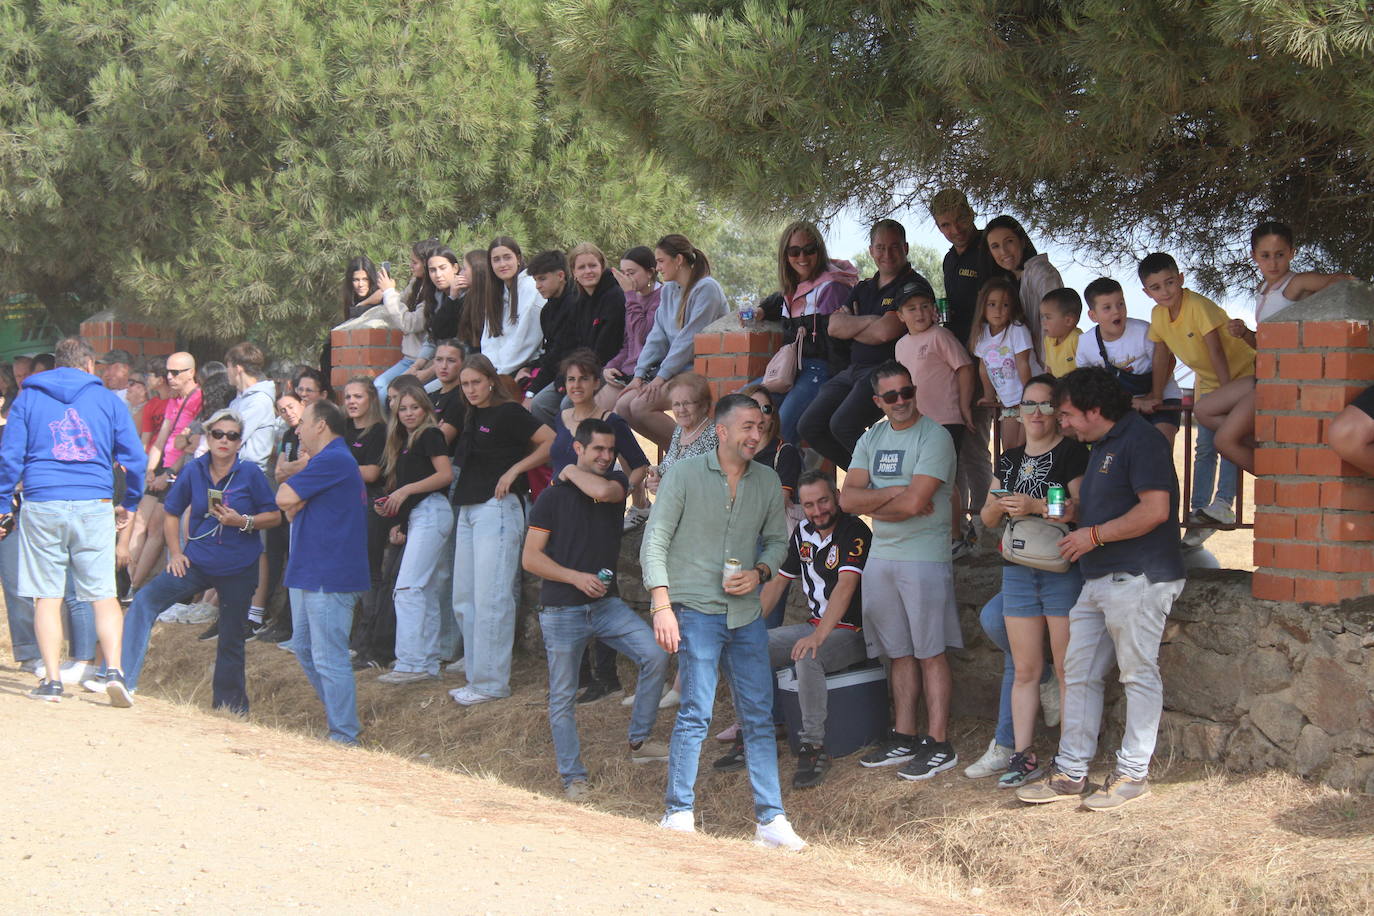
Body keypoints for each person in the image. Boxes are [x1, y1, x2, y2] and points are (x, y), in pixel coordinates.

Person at [1015, 368, 1184, 811]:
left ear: (1094, 410)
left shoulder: (1141, 440)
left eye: (1067, 414)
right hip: (1098, 578)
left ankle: (1132, 774)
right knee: (1080, 672)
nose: (1061, 422)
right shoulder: (1103, 445)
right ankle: (1071, 772)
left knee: (1137, 674)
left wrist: (1094, 535)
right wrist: (1074, 511)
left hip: (1139, 576)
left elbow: (1154, 511)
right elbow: (1111, 505)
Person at [641, 393, 804, 850]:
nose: (756, 435)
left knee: (758, 714)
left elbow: (777, 543)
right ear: (723, 431)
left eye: (762, 428)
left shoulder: (769, 481)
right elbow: (654, 541)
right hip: (693, 609)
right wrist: (662, 604)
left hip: (746, 614)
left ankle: (770, 822)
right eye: (747, 426)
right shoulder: (685, 475)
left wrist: (760, 572)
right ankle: (677, 813)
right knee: (697, 711)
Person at [523, 417, 670, 798]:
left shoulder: (616, 486)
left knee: (655, 655)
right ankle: (573, 776)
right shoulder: (551, 498)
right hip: (561, 609)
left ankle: (639, 741)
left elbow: (605, 492)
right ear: (579, 447)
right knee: (562, 695)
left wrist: (569, 470)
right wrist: (574, 577)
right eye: (597, 450)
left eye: (610, 450)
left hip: (605, 605)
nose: (606, 456)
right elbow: (531, 559)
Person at [0, 337, 146, 704]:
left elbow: (10, 455)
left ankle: (51, 681)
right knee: (102, 593)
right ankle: (113, 670)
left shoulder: (29, 397)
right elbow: (136, 458)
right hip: (94, 502)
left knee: (46, 596)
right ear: (90, 365)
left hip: (42, 502)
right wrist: (130, 499)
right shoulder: (107, 400)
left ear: (54, 366)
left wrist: (3, 502)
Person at [840, 361, 960, 781]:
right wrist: (894, 492)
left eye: (906, 391)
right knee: (899, 653)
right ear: (878, 401)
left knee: (930, 651)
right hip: (882, 557)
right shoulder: (871, 437)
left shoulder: (936, 436)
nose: (901, 401)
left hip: (923, 556)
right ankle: (904, 735)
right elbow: (847, 500)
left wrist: (876, 500)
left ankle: (938, 742)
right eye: (891, 396)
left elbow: (915, 505)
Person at [120, 409, 281, 711]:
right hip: (196, 562)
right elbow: (171, 511)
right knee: (144, 601)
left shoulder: (250, 474)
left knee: (231, 638)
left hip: (238, 568)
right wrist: (176, 553)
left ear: (239, 442)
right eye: (218, 434)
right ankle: (124, 680)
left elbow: (273, 516)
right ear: (208, 437)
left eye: (232, 436)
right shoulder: (194, 469)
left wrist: (242, 522)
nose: (224, 440)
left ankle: (230, 709)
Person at [977, 375, 1088, 788]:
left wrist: (1035, 505)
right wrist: (999, 506)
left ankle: (1069, 755)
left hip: (1060, 568)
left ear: (1057, 412)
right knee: (1025, 670)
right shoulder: (1008, 460)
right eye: (1029, 405)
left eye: (1044, 405)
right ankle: (1022, 756)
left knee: (1064, 669)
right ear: (1018, 411)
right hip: (1019, 569)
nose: (1036, 413)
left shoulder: (1073, 453)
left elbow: (1078, 509)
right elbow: (987, 520)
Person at [1195, 222, 1353, 473]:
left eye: (1280, 255)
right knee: (1203, 410)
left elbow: (1343, 281)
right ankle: (1274, 458)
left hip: (1281, 378)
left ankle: (1278, 480)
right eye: (1265, 256)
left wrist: (1314, 317)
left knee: (1224, 441)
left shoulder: (1296, 283)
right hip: (1263, 373)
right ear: (1253, 256)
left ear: (1292, 252)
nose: (1273, 263)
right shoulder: (1263, 290)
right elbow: (1265, 344)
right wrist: (1246, 333)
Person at [449, 353, 554, 706]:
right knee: (465, 597)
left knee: (492, 596)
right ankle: (476, 677)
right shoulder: (471, 414)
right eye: (465, 385)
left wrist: (514, 471)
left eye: (476, 382)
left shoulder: (508, 412)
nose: (471, 389)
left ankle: (492, 683)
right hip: (468, 507)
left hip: (498, 508)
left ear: (491, 380)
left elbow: (551, 441)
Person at [758, 472, 870, 789]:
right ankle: (754, 731)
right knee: (750, 645)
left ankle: (813, 747)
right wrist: (749, 627)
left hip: (854, 630)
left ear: (836, 495)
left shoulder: (854, 530)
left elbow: (846, 586)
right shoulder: (803, 531)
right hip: (815, 626)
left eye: (823, 501)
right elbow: (779, 581)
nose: (817, 511)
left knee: (809, 655)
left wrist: (818, 636)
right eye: (808, 505)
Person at [1139, 252, 1254, 543]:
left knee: (1229, 439)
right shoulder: (1158, 315)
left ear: (1180, 279)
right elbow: (1162, 355)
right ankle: (1199, 513)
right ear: (1146, 292)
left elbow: (1216, 351)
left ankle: (1224, 504)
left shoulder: (1197, 305)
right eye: (1156, 287)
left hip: (1239, 377)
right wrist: (1155, 393)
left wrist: (1228, 394)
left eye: (1169, 283)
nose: (1164, 291)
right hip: (1210, 383)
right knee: (1204, 448)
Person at [275, 399, 372, 745]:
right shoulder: (325, 462)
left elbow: (285, 498)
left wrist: (296, 490)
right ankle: (339, 722)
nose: (297, 430)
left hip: (329, 575)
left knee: (329, 656)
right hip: (311, 571)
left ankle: (344, 735)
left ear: (321, 425)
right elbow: (289, 508)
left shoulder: (332, 459)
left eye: (304, 424)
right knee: (304, 648)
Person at [797, 219, 918, 469]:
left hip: (886, 372)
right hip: (853, 370)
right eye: (881, 247)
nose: (887, 254)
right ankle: (865, 477)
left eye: (894, 247)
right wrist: (870, 322)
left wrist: (853, 325)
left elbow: (885, 332)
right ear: (871, 251)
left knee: (842, 424)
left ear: (906, 248)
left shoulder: (913, 285)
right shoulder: (864, 287)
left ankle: (889, 475)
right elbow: (833, 327)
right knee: (809, 425)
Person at [374, 380, 454, 684]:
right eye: (403, 407)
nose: (409, 413)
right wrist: (398, 516)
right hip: (423, 515)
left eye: (415, 407)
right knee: (428, 590)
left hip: (433, 511)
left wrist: (405, 490)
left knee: (408, 589)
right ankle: (428, 661)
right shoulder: (403, 442)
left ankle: (411, 663)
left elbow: (444, 475)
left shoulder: (430, 434)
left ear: (426, 408)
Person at [616, 234, 727, 447]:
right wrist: (639, 375)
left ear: (678, 260)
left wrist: (660, 377)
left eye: (660, 261)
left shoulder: (706, 288)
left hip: (699, 371)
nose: (657, 267)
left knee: (640, 406)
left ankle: (695, 450)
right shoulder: (668, 290)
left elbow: (689, 340)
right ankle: (675, 458)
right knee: (622, 407)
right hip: (675, 371)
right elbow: (656, 336)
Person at [893, 276, 975, 547]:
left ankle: (955, 536)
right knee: (920, 479)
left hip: (946, 419)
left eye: (925, 305)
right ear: (900, 315)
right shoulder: (901, 345)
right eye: (912, 308)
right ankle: (931, 532)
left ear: (934, 308)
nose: (920, 313)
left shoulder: (941, 335)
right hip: (917, 423)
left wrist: (964, 407)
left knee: (943, 481)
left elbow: (964, 367)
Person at [768, 221, 859, 445]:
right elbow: (775, 299)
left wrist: (837, 387)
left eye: (810, 249)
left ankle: (787, 477)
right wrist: (761, 310)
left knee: (784, 427)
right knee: (740, 406)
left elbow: (840, 345)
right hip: (792, 372)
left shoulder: (832, 287)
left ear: (820, 251)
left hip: (821, 371)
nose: (803, 257)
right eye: (794, 251)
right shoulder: (791, 291)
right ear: (785, 255)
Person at [1075, 277, 1182, 445]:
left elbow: (1169, 361)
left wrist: (1154, 396)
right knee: (1120, 450)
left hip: (1162, 398)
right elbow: (1087, 385)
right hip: (1120, 405)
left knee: (1160, 443)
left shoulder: (1143, 331)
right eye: (1107, 308)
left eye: (1120, 304)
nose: (1116, 311)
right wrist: (1134, 403)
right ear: (1093, 316)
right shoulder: (1085, 343)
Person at [970, 277, 1043, 451]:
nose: (998, 311)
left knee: (1029, 444)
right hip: (1008, 401)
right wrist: (989, 395)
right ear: (983, 306)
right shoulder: (982, 335)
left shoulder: (1016, 330)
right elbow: (984, 368)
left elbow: (1023, 364)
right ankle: (1012, 478)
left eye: (1005, 305)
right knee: (1010, 447)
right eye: (992, 304)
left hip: (1030, 397)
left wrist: (1029, 397)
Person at [463, 237, 547, 379]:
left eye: (507, 257)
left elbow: (525, 341)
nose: (502, 264)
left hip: (524, 366)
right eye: (496, 259)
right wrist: (489, 370)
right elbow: (489, 340)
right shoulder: (497, 292)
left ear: (518, 259)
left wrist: (499, 374)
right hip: (497, 370)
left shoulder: (530, 288)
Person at [981, 214, 1063, 350]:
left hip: (1051, 364)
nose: (1003, 251)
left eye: (1009, 241)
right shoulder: (1004, 282)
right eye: (995, 246)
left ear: (1022, 242)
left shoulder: (1042, 273)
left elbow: (1057, 321)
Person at [373, 240, 441, 399]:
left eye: (415, 262)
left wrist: (389, 292)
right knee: (378, 386)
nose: (411, 266)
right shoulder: (416, 283)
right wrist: (387, 292)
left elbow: (409, 323)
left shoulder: (434, 293)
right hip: (408, 358)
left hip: (425, 360)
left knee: (388, 395)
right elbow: (399, 304)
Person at [599, 246, 662, 413]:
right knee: (594, 412)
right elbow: (629, 344)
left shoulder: (661, 296)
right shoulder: (634, 297)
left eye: (631, 273)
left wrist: (629, 295)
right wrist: (611, 366)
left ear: (650, 272)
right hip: (627, 372)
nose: (626, 278)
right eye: (623, 273)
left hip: (648, 373)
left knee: (618, 412)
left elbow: (643, 335)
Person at [643, 372, 717, 496]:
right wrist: (656, 474)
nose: (681, 410)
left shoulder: (713, 435)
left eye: (687, 403)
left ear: (703, 405)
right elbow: (670, 466)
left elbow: (708, 483)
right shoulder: (679, 431)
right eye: (676, 404)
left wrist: (665, 486)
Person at [929, 188, 984, 346]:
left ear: (971, 213)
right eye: (946, 225)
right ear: (939, 227)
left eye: (960, 219)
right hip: (957, 345)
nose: (956, 229)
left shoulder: (991, 247)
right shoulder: (949, 259)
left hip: (990, 347)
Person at [225, 343, 280, 474]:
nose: (226, 371)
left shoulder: (259, 401)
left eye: (228, 367)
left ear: (237, 368)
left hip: (249, 476)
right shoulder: (237, 401)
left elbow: (230, 437)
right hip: (233, 472)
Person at [1039, 289, 1084, 378]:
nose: (1043, 322)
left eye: (1048, 317)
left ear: (1068, 320)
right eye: (1042, 317)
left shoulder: (1078, 339)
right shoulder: (1048, 340)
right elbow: (1049, 368)